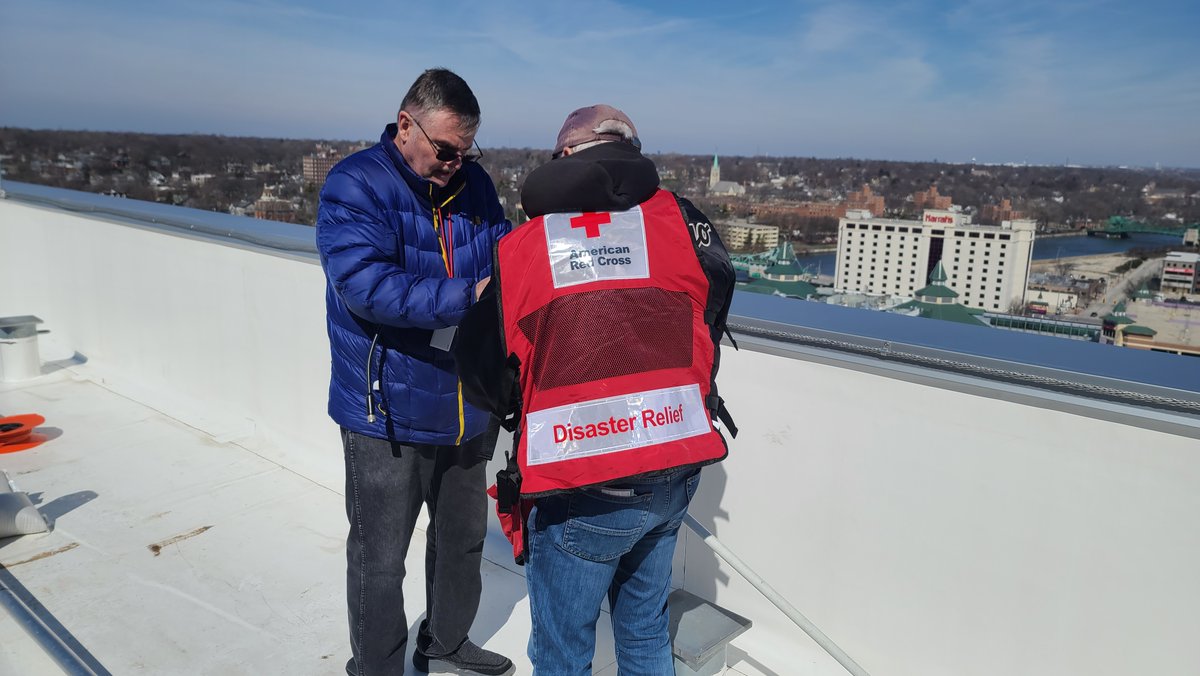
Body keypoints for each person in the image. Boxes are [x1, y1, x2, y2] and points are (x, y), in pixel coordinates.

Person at [455, 104, 737, 675]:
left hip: (579, 483)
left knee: (563, 653)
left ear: (565, 158)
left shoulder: (528, 246)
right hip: (674, 465)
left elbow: (483, 372)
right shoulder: (686, 225)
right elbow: (708, 321)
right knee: (645, 634)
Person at [315, 68, 514, 676]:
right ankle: (377, 667)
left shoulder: (474, 185)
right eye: (446, 149)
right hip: (389, 408)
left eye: (466, 150)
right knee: (380, 558)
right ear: (406, 125)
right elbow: (367, 287)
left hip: (467, 399)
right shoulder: (356, 185)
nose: (457, 162)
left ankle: (446, 644)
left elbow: (505, 251)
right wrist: (472, 296)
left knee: (462, 542)